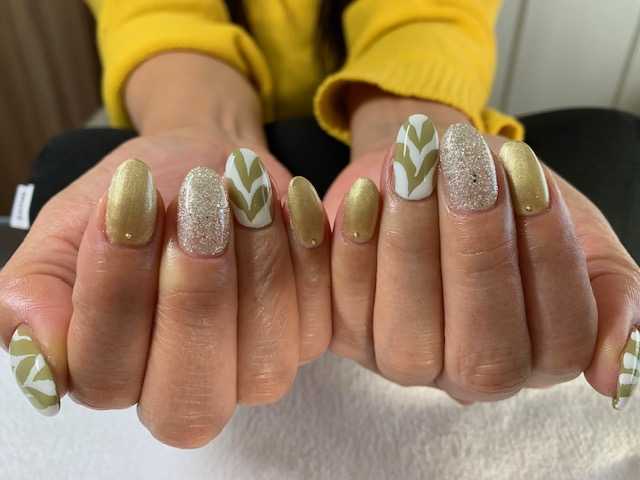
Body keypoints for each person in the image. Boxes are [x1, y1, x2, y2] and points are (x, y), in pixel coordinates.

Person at [1, 0, 639, 450]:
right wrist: (194, 126)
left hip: (374, 146)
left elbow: (432, 13)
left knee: (615, 148)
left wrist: (407, 126)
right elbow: (153, 15)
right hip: (226, 140)